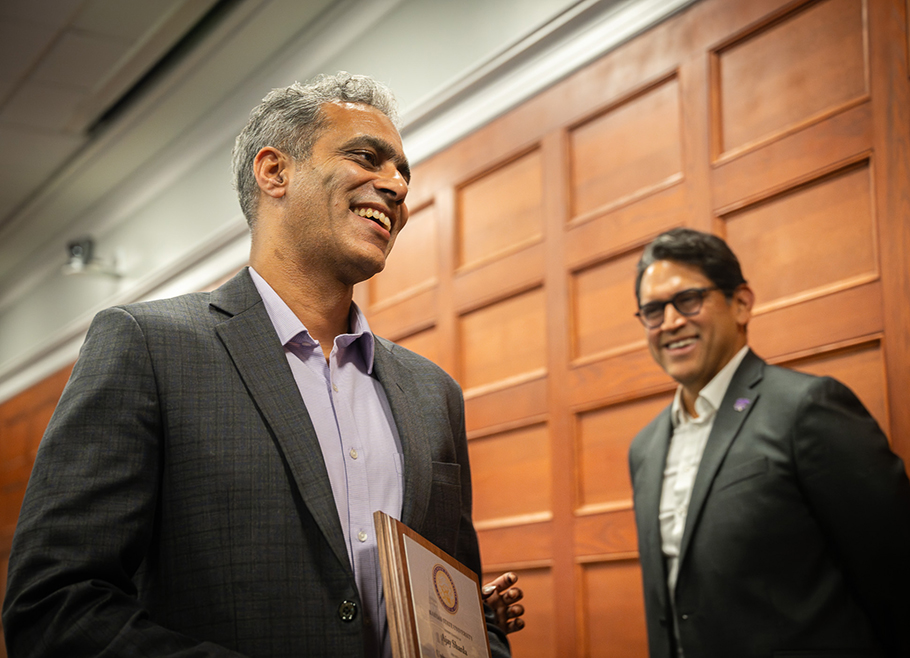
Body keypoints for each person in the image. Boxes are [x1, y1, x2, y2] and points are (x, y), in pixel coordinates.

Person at [3, 72, 522, 658]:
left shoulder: (434, 394)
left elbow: (459, 611)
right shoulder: (148, 346)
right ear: (274, 171)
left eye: (403, 171)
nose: (397, 186)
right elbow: (55, 607)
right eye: (367, 157)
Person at [628, 228, 910, 658]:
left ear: (741, 303)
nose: (670, 322)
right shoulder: (645, 448)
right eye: (652, 310)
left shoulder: (807, 408)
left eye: (688, 300)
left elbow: (904, 580)